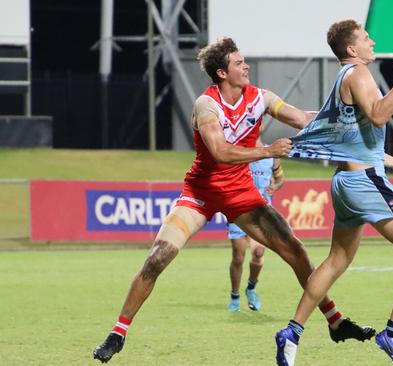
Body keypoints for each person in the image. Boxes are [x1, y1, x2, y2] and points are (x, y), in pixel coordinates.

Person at [92, 37, 374, 364]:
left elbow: (301, 119)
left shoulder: (260, 98)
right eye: (239, 63)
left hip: (241, 195)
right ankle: (118, 333)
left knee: (295, 250)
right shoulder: (206, 105)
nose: (247, 67)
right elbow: (220, 153)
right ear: (222, 73)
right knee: (158, 258)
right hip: (201, 193)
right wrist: (268, 150)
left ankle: (335, 321)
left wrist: (345, 117)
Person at [275, 20, 393, 366]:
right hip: (364, 183)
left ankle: (291, 332)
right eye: (365, 38)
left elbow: (357, 141)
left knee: (336, 261)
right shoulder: (359, 74)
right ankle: (392, 336)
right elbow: (379, 117)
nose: (372, 41)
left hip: (345, 182)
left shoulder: (343, 79)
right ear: (351, 49)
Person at [226, 149, 284, 312]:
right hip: (237, 208)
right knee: (238, 256)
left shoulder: (271, 154)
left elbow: (280, 179)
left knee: (258, 252)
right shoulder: (239, 152)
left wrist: (275, 186)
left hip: (261, 212)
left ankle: (251, 288)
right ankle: (235, 296)